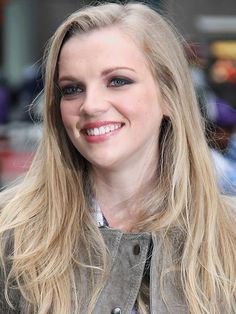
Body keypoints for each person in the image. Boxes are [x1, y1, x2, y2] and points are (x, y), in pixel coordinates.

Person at [0, 3, 235, 314]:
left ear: (168, 94)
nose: (91, 105)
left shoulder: (227, 234)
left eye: (118, 81)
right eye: (72, 89)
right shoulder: (11, 236)